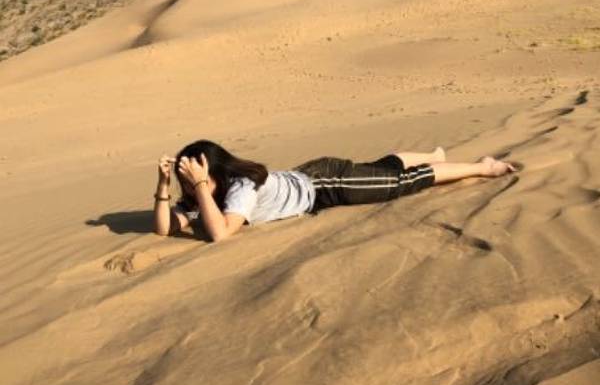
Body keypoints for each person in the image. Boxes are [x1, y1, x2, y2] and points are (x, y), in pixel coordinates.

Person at [153, 140, 515, 242]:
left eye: (198, 177)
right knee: (381, 171)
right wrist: (164, 185)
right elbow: (165, 227)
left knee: (402, 183)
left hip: (326, 185)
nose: (193, 185)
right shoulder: (206, 197)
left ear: (215, 172)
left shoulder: (240, 187)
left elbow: (220, 233)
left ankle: (482, 166)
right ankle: (434, 155)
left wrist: (199, 184)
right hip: (311, 177)